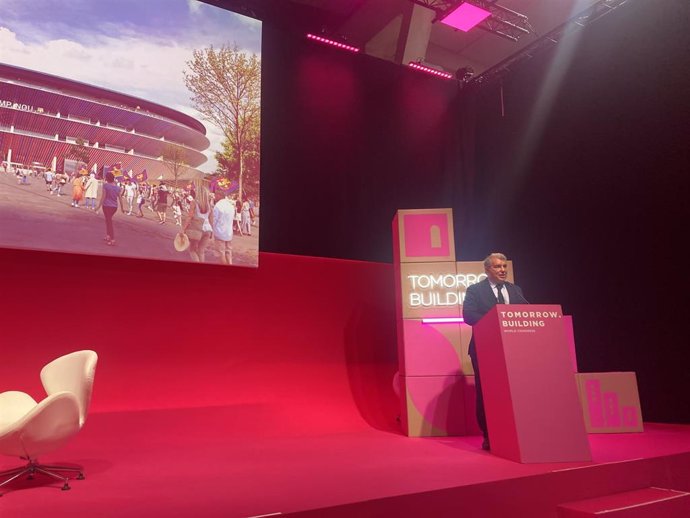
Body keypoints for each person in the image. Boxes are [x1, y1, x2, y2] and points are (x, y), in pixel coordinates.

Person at [462, 252, 528, 452]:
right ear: (487, 270)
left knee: (516, 392)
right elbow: (469, 315)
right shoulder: (475, 290)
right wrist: (498, 319)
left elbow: (526, 310)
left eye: (504, 267)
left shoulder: (515, 290)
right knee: (486, 393)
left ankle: (518, 432)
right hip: (485, 350)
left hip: (514, 350)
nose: (502, 270)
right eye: (498, 267)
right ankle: (489, 435)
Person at [181, 179, 214, 262]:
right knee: (201, 251)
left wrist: (183, 229)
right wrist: (212, 233)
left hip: (197, 229)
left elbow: (190, 217)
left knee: (192, 250)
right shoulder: (210, 205)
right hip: (208, 230)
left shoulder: (194, 202)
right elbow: (211, 220)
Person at [94, 172, 124, 246]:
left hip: (106, 206)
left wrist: (98, 207)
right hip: (114, 207)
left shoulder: (105, 186)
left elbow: (103, 197)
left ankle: (112, 239)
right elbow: (120, 199)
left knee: (109, 222)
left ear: (107, 179)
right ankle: (108, 236)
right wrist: (122, 208)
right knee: (108, 221)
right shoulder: (118, 188)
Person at [212, 191, 236, 265]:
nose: (214, 197)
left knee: (221, 253)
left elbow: (214, 220)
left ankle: (225, 270)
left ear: (219, 195)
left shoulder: (217, 206)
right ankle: (230, 266)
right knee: (228, 252)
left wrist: (212, 230)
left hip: (219, 233)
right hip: (229, 233)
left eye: (215, 195)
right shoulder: (230, 205)